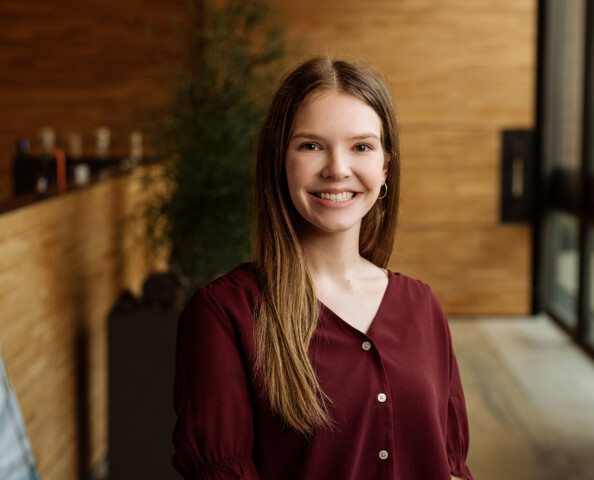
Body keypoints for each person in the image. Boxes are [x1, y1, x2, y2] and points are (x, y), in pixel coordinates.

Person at [171, 57, 474, 480]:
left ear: (385, 169)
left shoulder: (422, 306)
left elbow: (449, 467)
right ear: (280, 163)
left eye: (362, 146)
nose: (337, 168)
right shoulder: (224, 315)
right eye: (311, 145)